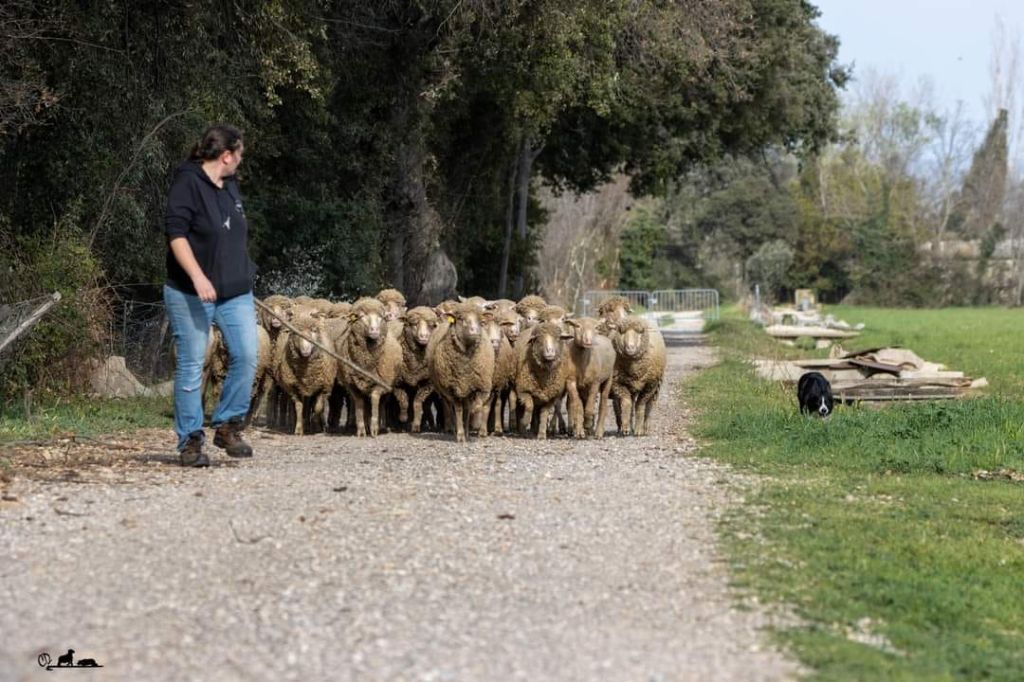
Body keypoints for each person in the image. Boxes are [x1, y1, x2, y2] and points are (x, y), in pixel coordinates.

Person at [163, 124, 258, 467]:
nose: (240, 161)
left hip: (235, 292)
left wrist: (243, 270)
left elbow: (230, 234)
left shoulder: (230, 185)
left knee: (247, 354)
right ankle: (190, 441)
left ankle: (228, 425)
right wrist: (198, 276)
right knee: (192, 364)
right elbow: (177, 235)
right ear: (226, 155)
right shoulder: (187, 183)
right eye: (239, 155)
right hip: (189, 292)